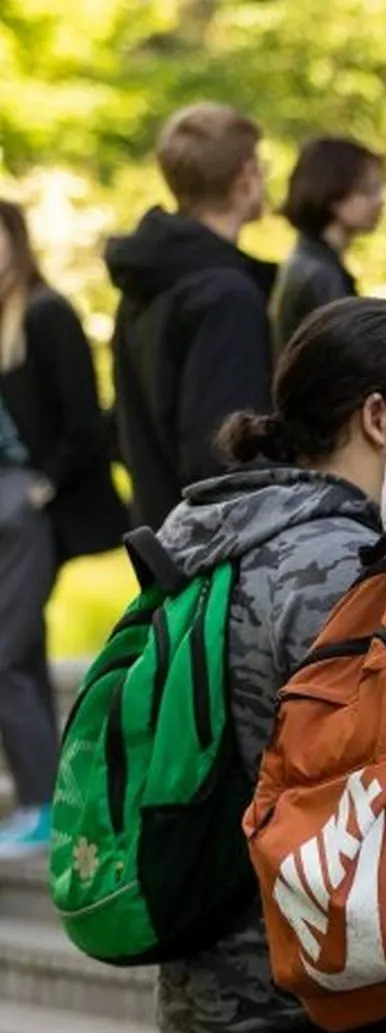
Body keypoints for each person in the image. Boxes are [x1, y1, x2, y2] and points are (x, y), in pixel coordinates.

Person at [154, 296, 386, 1033]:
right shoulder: (340, 559)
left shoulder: (196, 533)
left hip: (198, 994)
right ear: (376, 416)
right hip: (308, 1004)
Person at [0, 200, 128, 858]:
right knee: (13, 653)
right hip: (10, 505)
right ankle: (38, 800)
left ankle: (44, 804)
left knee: (10, 653)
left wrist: (41, 488)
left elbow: (86, 419)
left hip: (30, 506)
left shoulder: (45, 315)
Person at [106, 103, 277, 529]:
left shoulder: (149, 280)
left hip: (160, 530)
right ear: (244, 178)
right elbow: (223, 453)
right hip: (209, 550)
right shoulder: (225, 295)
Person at [270, 136, 386, 352]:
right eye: (367, 190)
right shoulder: (320, 275)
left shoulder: (312, 264)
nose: (380, 199)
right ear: (333, 194)